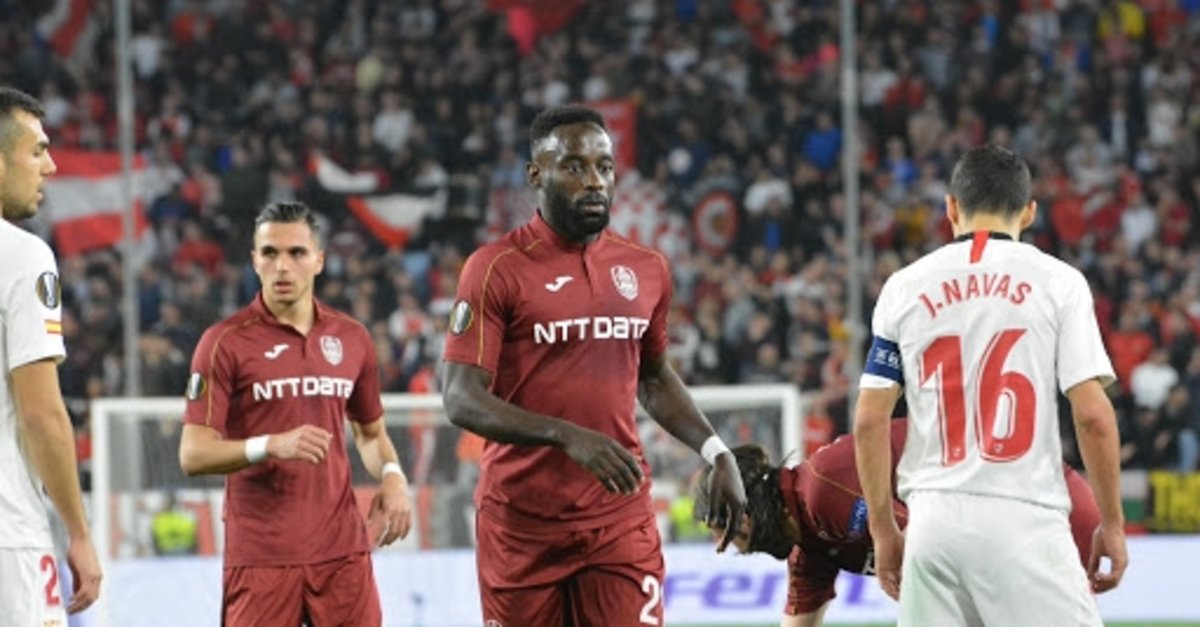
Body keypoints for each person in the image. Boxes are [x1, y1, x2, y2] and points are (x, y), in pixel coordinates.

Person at [441, 104, 747, 626]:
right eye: (574, 166)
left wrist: (716, 451)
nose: (594, 181)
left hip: (619, 517)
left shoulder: (645, 269)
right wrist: (566, 436)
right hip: (521, 524)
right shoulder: (495, 269)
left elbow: (654, 377)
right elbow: (460, 397)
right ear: (536, 174)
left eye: (604, 167)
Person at [853, 145, 1127, 626]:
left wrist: (883, 529)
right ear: (1029, 212)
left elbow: (869, 421)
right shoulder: (1059, 282)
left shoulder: (903, 287)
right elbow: (1092, 416)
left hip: (932, 523)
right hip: (1024, 518)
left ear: (951, 207)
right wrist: (1113, 524)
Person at [178, 201, 413, 626]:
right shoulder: (224, 343)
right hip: (262, 557)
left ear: (319, 260)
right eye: (270, 253)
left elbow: (370, 434)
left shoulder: (352, 338)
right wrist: (270, 445)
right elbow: (193, 454)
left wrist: (393, 475)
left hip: (342, 553)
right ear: (255, 260)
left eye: (296, 253)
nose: (282, 266)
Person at [694, 419, 1106, 627]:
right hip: (1018, 523)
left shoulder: (822, 495)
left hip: (1043, 510)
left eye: (724, 529)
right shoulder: (810, 543)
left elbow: (936, 543)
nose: (724, 544)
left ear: (746, 510)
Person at [0, 85, 102, 622]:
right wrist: (78, 534)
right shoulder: (21, 255)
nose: (51, 166)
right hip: (9, 540)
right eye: (37, 151)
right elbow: (40, 413)